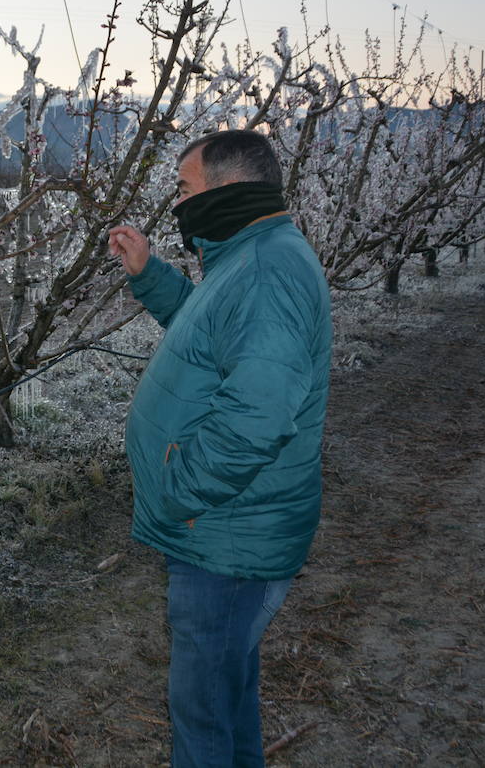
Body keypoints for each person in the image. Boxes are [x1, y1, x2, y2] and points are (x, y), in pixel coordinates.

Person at [108, 129, 332, 768]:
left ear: (227, 187)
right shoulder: (245, 254)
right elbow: (212, 335)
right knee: (226, 697)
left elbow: (258, 417)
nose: (177, 204)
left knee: (202, 714)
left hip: (224, 531)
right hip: (228, 527)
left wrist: (181, 488)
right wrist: (150, 276)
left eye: (185, 188)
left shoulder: (265, 269)